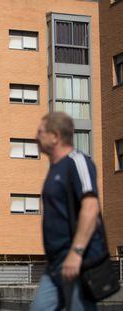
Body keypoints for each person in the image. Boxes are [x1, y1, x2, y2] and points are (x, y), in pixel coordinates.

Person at [31, 112, 108, 311]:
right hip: (55, 263)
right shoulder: (54, 168)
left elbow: (91, 207)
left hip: (78, 263)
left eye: (40, 132)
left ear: (55, 136)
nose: (35, 137)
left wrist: (76, 253)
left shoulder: (77, 162)